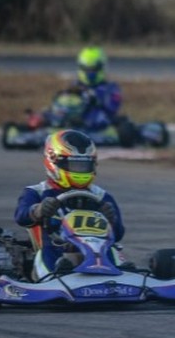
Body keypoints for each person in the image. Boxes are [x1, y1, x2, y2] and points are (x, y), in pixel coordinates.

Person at [13, 129, 126, 275]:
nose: (80, 172)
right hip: (55, 249)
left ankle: (120, 275)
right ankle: (53, 278)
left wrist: (111, 220)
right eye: (75, 166)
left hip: (98, 252)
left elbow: (118, 234)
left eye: (85, 167)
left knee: (114, 251)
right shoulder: (37, 192)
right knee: (51, 253)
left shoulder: (101, 196)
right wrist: (38, 210)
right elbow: (21, 216)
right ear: (53, 161)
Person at [48, 47, 124, 133]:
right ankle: (52, 123)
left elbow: (112, 109)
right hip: (72, 114)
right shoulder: (75, 85)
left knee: (95, 116)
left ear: (101, 68)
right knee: (53, 110)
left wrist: (94, 98)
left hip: (95, 120)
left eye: (93, 69)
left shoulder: (110, 87)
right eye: (87, 69)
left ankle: (73, 127)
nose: (90, 73)